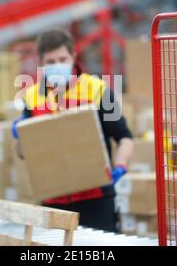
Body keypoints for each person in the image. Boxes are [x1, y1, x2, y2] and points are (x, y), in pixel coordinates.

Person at [12, 29, 133, 232]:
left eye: (62, 59)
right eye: (51, 62)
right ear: (41, 63)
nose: (57, 66)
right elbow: (23, 154)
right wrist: (20, 134)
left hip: (96, 199)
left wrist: (120, 166)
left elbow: (124, 137)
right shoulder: (32, 97)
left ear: (73, 58)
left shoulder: (98, 90)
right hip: (53, 201)